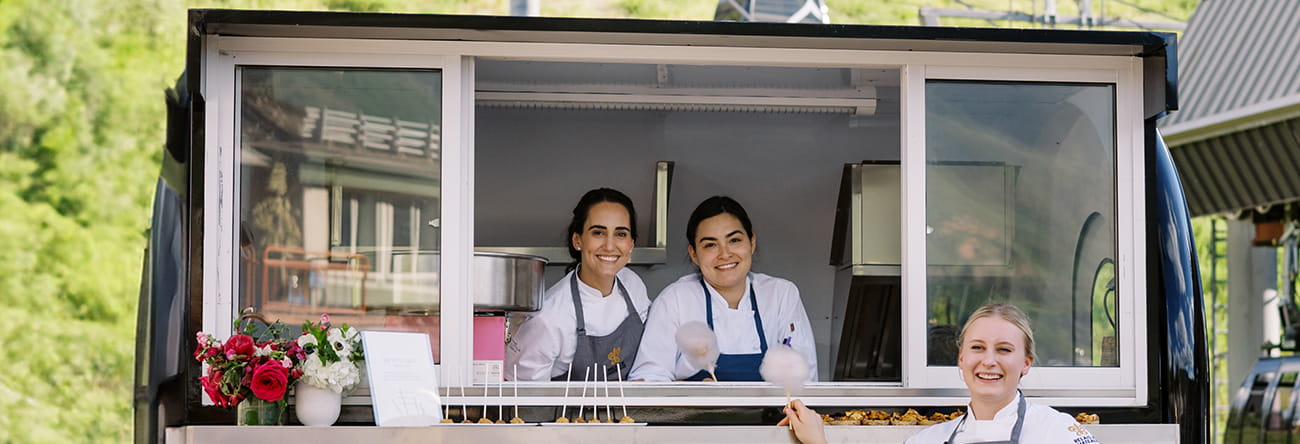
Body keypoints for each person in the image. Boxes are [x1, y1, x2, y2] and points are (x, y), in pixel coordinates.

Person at [779, 302, 1097, 443]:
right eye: (977, 348)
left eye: (1003, 349)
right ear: (961, 358)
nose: (988, 361)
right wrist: (818, 440)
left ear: (1026, 363)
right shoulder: (929, 440)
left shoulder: (1059, 432)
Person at [629, 196, 817, 382]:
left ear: (751, 243)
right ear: (694, 254)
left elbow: (804, 380)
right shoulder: (676, 299)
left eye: (734, 240)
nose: (725, 254)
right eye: (710, 245)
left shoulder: (781, 294)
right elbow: (649, 378)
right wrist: (689, 393)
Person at [505, 188, 650, 381]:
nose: (609, 246)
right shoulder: (549, 317)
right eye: (598, 232)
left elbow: (651, 355)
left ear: (631, 244)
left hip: (631, 402)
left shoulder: (633, 285)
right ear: (577, 240)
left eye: (620, 234)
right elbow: (523, 394)